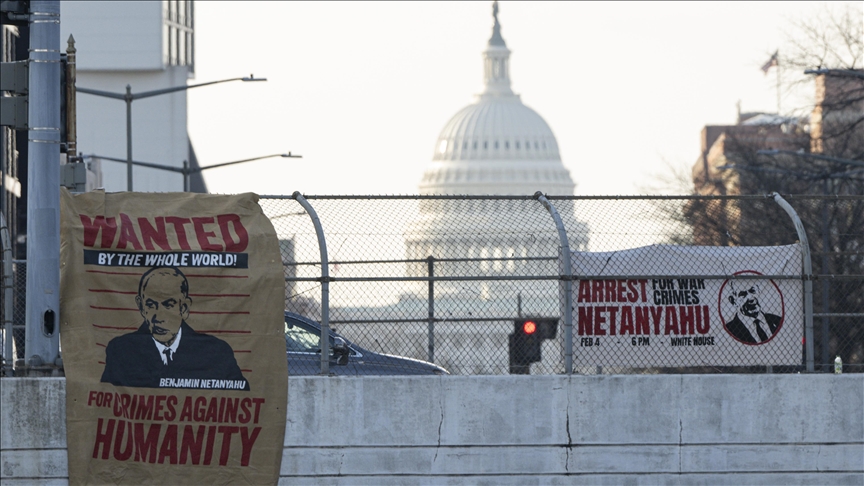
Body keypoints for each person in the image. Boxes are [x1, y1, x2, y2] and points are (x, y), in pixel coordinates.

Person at [100, 266, 249, 390]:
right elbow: (106, 405)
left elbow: (240, 400)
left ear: (184, 308)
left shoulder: (216, 352)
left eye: (168, 305)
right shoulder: (121, 351)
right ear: (141, 306)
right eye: (151, 305)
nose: (158, 317)